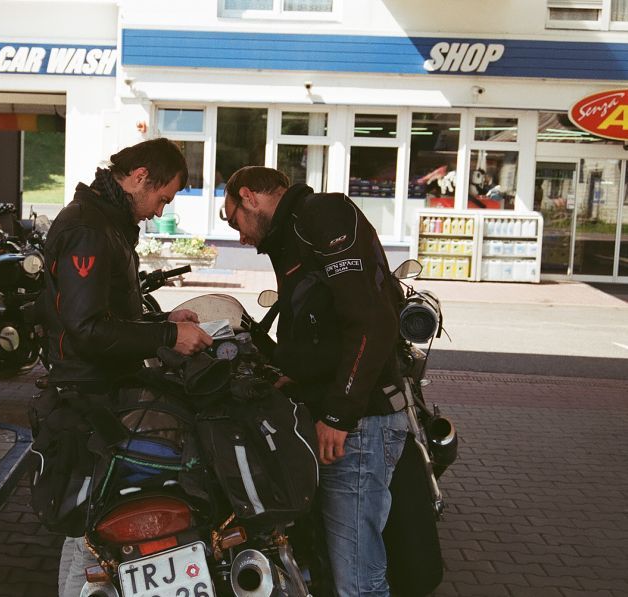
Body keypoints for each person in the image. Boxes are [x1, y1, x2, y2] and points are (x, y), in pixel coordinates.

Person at [221, 166, 407, 596]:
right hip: (340, 417)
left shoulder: (322, 214)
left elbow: (371, 320)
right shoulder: (294, 232)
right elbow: (322, 319)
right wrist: (293, 374)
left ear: (249, 196)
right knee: (332, 563)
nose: (241, 236)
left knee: (357, 579)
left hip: (359, 425)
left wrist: (339, 414)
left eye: (234, 221)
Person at [42, 138, 212, 596]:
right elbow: (87, 328)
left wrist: (164, 320)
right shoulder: (89, 228)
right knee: (93, 531)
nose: (159, 211)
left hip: (100, 390)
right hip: (87, 397)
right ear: (140, 177)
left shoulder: (107, 222)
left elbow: (107, 315)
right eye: (162, 198)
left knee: (86, 527)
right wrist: (167, 337)